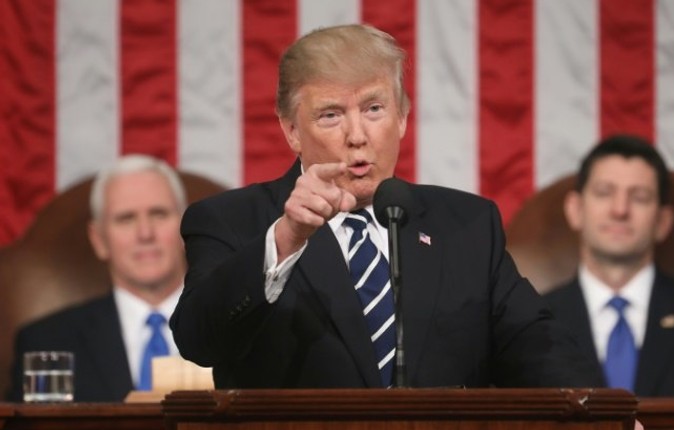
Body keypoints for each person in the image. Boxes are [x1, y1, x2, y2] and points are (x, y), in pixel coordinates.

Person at [170, 24, 602, 389]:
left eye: (374, 108)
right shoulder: (232, 222)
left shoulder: (467, 225)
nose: (357, 135)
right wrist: (286, 239)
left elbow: (535, 342)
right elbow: (198, 340)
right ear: (291, 130)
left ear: (402, 117)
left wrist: (601, 414)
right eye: (330, 115)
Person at [543, 134, 674, 397]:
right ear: (575, 210)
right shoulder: (529, 328)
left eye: (640, 197)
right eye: (604, 193)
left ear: (663, 221)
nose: (620, 210)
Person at [7, 154, 187, 402]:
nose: (145, 233)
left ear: (187, 227)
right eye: (126, 219)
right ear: (99, 239)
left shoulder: (243, 333)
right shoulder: (47, 342)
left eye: (159, 214)